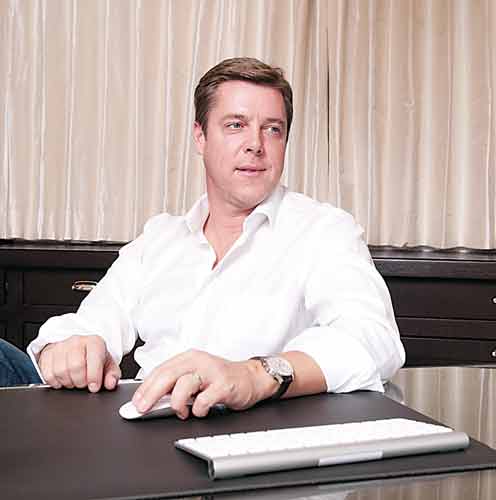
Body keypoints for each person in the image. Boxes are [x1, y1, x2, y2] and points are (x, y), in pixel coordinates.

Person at [0, 57, 405, 419]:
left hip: (247, 434)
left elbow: (373, 340)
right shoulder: (161, 237)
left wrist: (256, 374)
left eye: (272, 129)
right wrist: (67, 348)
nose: (255, 145)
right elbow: (89, 324)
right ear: (200, 136)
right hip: (142, 427)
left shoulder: (323, 231)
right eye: (235, 125)